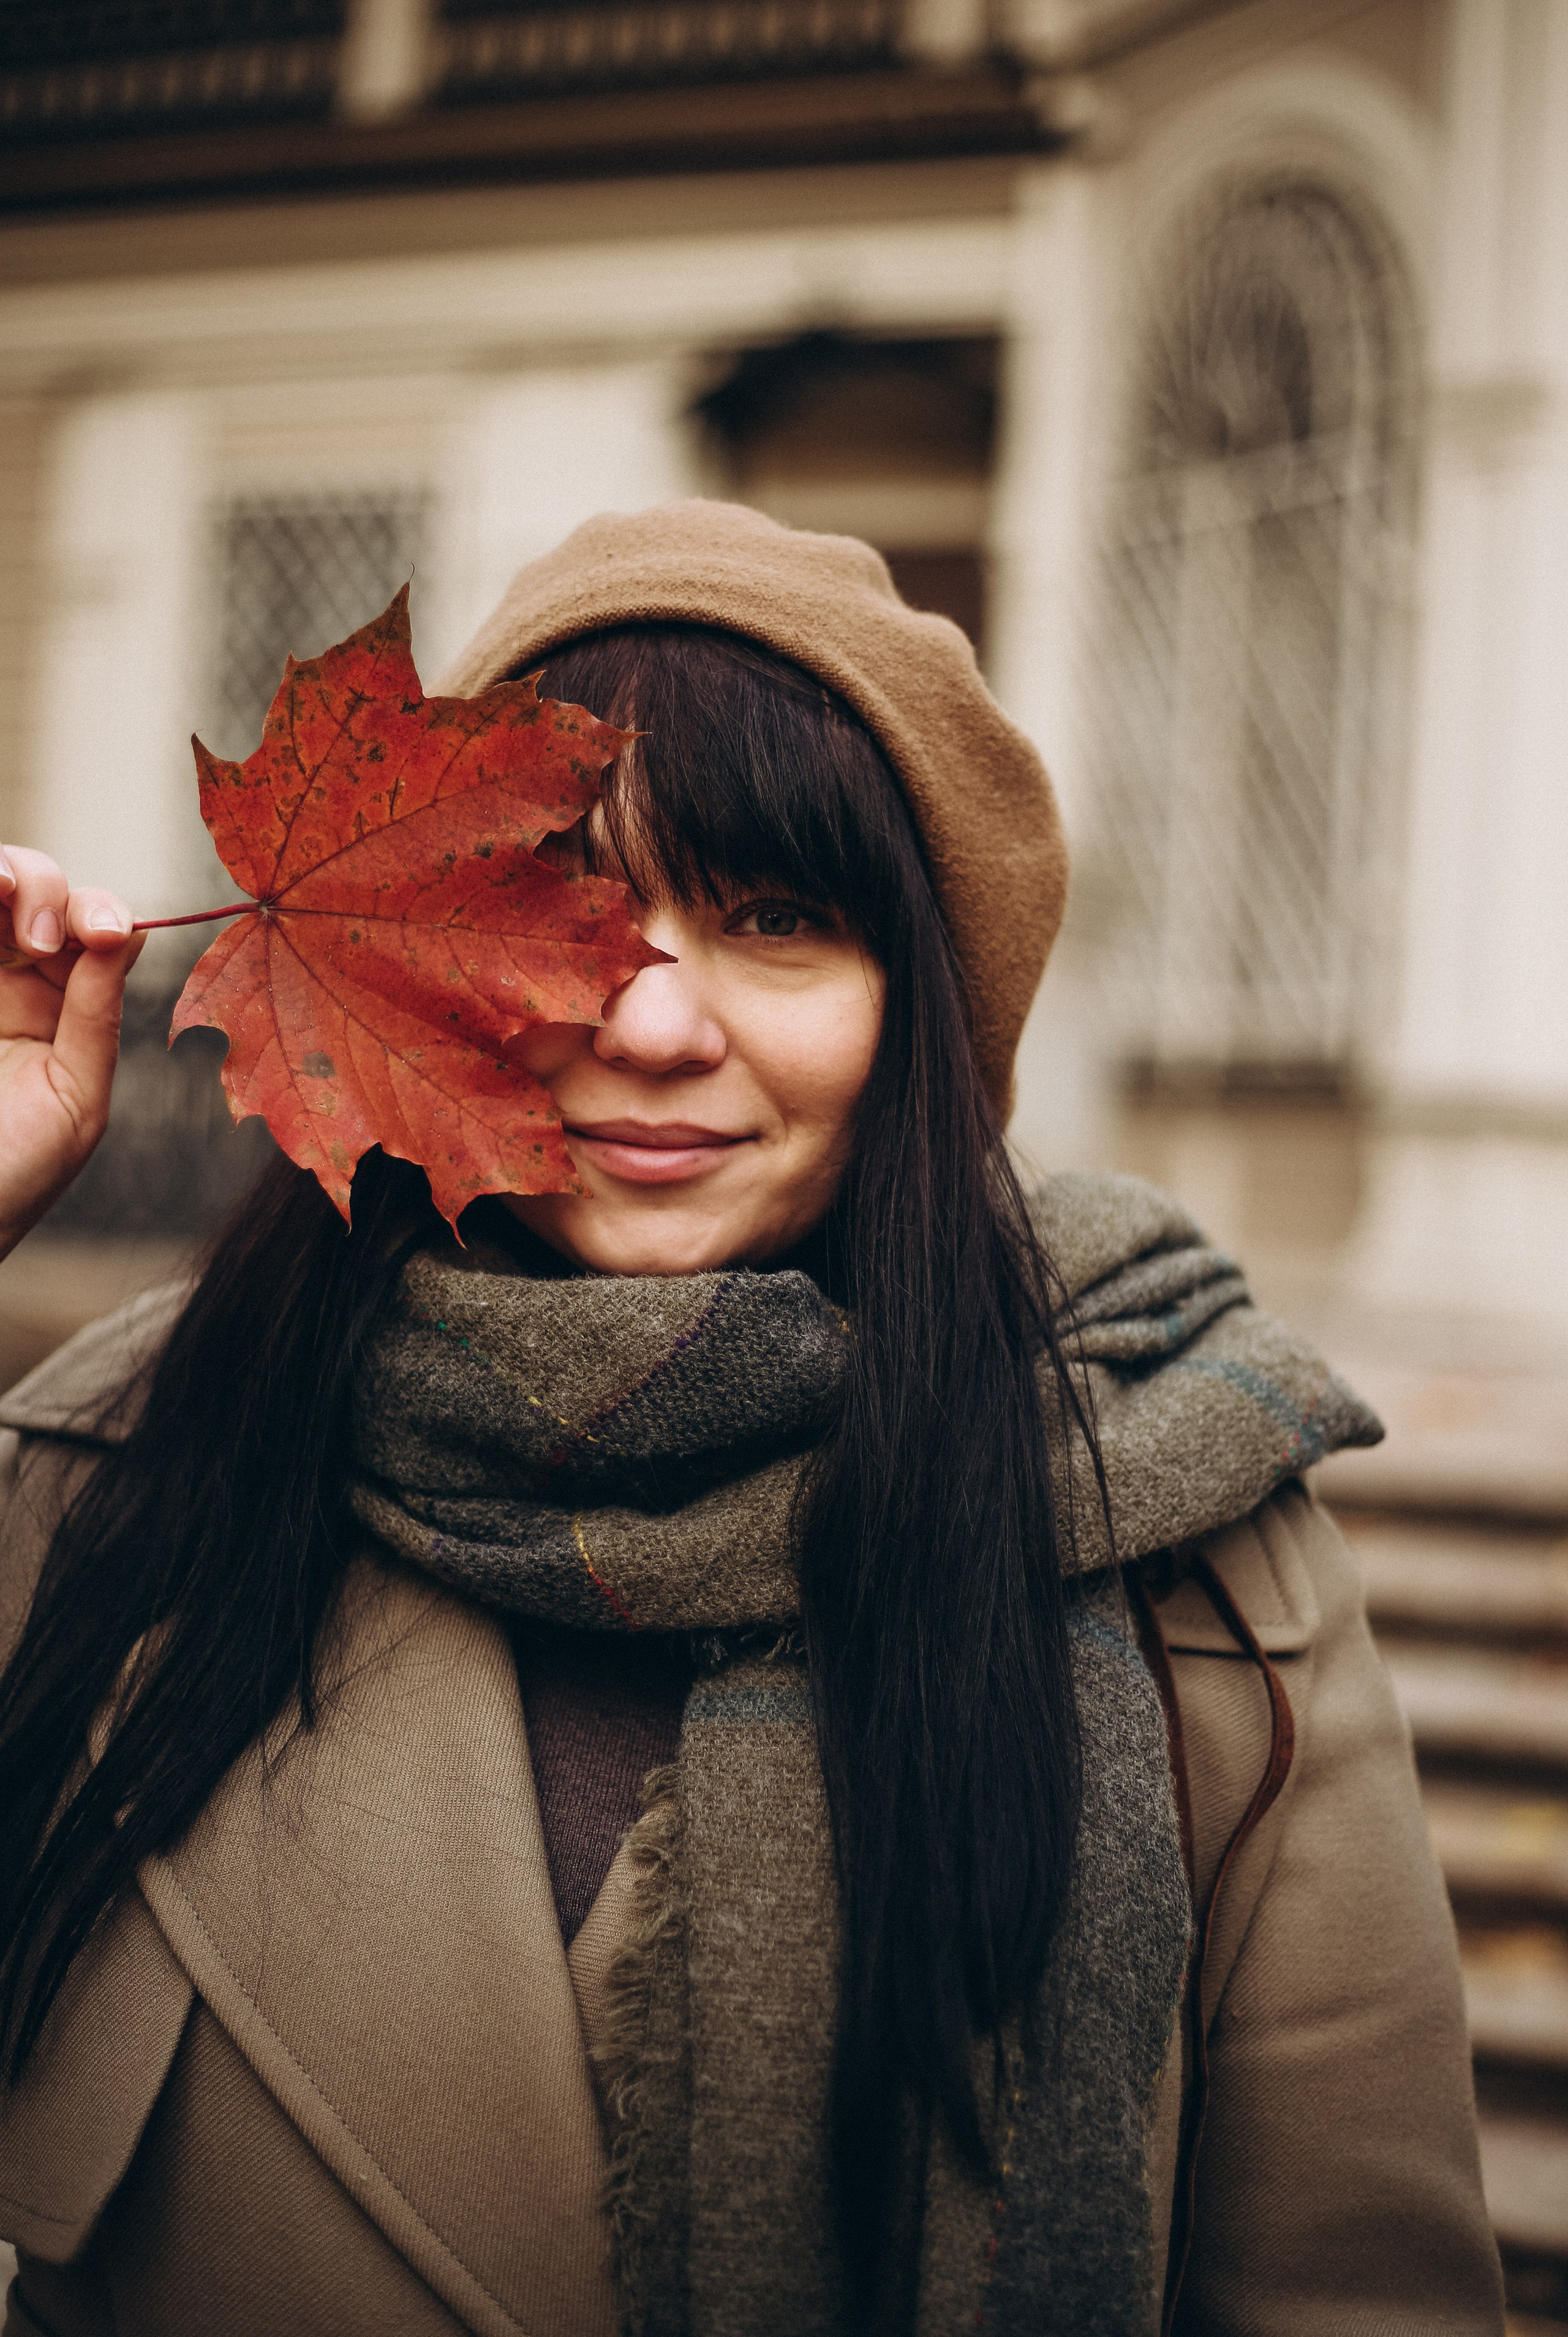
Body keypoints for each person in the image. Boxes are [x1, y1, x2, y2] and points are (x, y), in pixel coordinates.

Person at [0, 504, 1502, 2337]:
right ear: (411, 957)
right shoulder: (109, 1491)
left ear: (921, 1020)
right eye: (558, 908)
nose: (650, 1026)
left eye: (778, 921)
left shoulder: (1202, 1569)